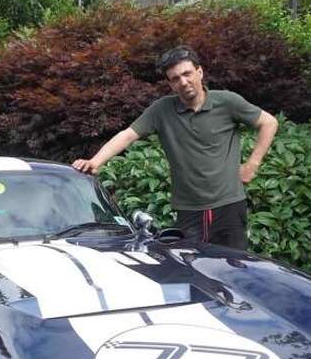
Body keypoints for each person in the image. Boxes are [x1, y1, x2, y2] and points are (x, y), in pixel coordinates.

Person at [72, 46, 278, 250]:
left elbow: (269, 122)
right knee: (190, 265)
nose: (183, 82)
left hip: (229, 206)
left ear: (200, 72)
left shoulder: (227, 102)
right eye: (176, 78)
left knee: (233, 264)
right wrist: (95, 161)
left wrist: (252, 164)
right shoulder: (162, 110)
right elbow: (127, 136)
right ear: (171, 84)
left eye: (187, 74)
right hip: (189, 210)